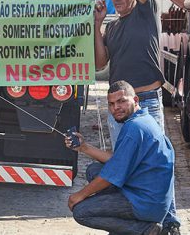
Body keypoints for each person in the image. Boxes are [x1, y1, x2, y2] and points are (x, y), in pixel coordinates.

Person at [94, 0, 180, 234]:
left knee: (158, 166)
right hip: (119, 109)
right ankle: (132, 224)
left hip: (147, 104)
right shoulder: (114, 25)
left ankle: (170, 222)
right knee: (122, 166)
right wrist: (97, 26)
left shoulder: (147, 11)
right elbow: (101, 61)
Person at [66, 81, 175, 235]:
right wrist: (84, 147)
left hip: (145, 203)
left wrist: (79, 195)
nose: (115, 108)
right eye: (111, 104)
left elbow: (111, 176)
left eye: (121, 101)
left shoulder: (135, 129)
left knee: (82, 211)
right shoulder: (142, 119)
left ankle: (147, 230)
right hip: (149, 196)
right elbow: (116, 159)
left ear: (135, 100)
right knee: (94, 170)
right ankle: (122, 227)